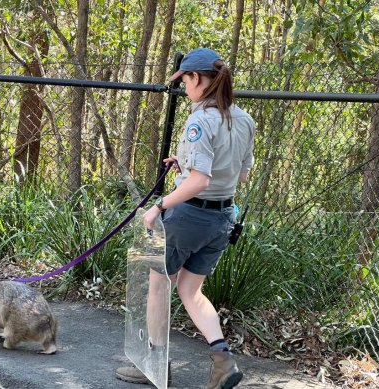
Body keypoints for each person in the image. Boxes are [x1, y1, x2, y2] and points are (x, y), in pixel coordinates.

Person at [116, 47, 256, 389]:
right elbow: (240, 176)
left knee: (159, 283)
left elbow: (200, 181)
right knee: (191, 290)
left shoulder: (200, 120)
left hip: (188, 217)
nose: (184, 88)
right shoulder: (244, 119)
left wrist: (159, 205)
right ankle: (223, 360)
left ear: (198, 78)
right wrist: (186, 165)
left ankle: (155, 364)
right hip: (223, 218)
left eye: (185, 81)